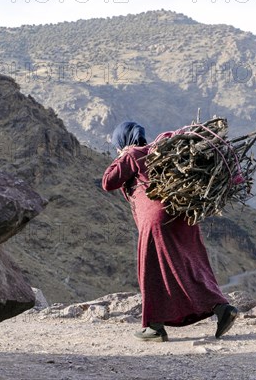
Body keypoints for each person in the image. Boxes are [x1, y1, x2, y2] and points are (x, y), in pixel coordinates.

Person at [102, 121, 238, 342]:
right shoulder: (158, 151)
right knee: (191, 265)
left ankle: (155, 326)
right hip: (183, 215)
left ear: (123, 140)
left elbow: (108, 182)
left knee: (152, 270)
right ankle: (222, 308)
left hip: (156, 220)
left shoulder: (134, 153)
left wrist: (122, 154)